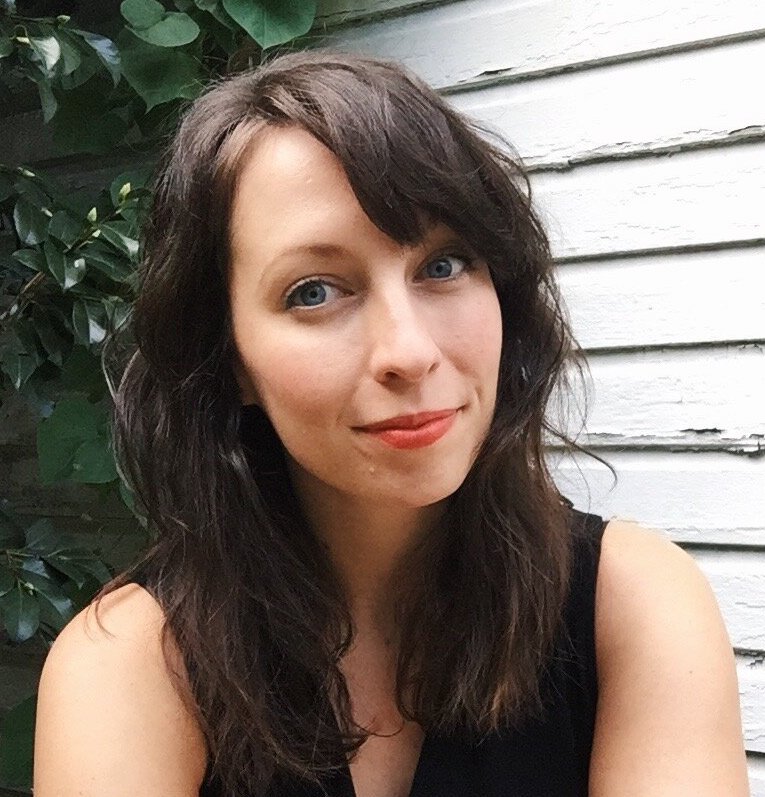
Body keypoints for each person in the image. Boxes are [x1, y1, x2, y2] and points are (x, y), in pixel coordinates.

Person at [32, 51, 749, 797]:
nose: (409, 351)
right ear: (228, 357)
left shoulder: (630, 606)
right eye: (314, 291)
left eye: (443, 265)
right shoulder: (131, 664)